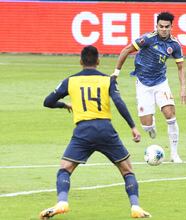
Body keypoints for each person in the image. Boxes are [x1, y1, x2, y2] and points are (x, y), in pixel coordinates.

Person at [39, 45, 151, 219]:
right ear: (98, 61)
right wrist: (132, 126)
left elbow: (48, 101)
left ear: (81, 61)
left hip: (83, 131)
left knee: (65, 170)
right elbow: (119, 102)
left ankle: (62, 201)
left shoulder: (70, 81)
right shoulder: (108, 80)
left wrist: (64, 104)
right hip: (106, 130)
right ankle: (135, 207)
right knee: (127, 171)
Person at [111, 11, 186, 163]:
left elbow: (181, 67)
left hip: (161, 83)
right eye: (161, 26)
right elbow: (126, 50)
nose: (164, 29)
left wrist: (183, 88)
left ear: (171, 27)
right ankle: (151, 129)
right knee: (146, 125)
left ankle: (174, 154)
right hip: (143, 84)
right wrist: (116, 73)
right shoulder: (147, 39)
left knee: (170, 115)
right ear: (156, 26)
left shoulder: (174, 44)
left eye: (167, 27)